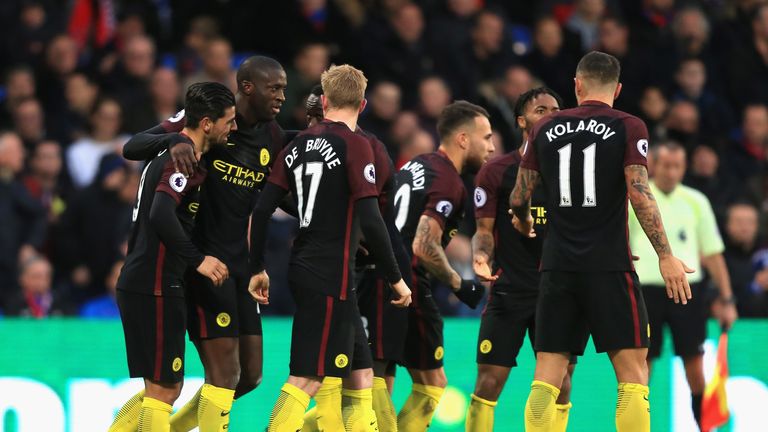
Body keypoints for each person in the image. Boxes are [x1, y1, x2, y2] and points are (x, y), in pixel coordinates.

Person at [509, 51, 693, 432]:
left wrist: (525, 220)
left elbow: (518, 197)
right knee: (632, 374)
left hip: (558, 264)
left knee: (548, 373)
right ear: (619, 88)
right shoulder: (629, 126)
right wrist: (666, 255)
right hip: (609, 264)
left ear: (577, 85)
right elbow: (640, 193)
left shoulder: (543, 128)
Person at [122, 56, 289, 431]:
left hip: (239, 267)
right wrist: (175, 138)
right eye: (274, 88)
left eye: (283, 88)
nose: (281, 96)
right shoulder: (209, 118)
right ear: (247, 87)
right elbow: (134, 146)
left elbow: (279, 197)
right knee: (213, 376)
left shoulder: (275, 137)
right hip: (201, 264)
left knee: (249, 377)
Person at [248, 64, 412, 432]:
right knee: (307, 378)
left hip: (316, 269)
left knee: (361, 376)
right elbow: (372, 220)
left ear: (323, 101)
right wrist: (396, 278)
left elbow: (261, 209)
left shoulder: (297, 144)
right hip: (328, 274)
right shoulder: (357, 144)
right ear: (364, 104)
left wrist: (257, 267)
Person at [109, 82, 234, 432]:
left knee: (162, 388)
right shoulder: (183, 158)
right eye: (229, 121)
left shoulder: (175, 149)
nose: (233, 128)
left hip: (147, 280)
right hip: (155, 283)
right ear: (207, 123)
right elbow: (161, 214)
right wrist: (199, 260)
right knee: (163, 390)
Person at [466, 87, 576, 432]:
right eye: (540, 109)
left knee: (561, 386)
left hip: (559, 292)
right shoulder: (496, 171)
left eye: (556, 109)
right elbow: (483, 231)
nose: (550, 115)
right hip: (510, 290)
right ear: (521, 120)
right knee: (488, 384)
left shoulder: (571, 171)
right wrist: (481, 256)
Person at [394, 100, 495, 431]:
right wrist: (458, 283)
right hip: (407, 284)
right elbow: (423, 245)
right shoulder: (449, 181)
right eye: (486, 137)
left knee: (372, 380)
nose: (492, 147)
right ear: (463, 139)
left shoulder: (416, 165)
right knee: (432, 384)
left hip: (377, 276)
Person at [628, 141, 738, 429]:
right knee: (641, 368)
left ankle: (704, 426)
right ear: (654, 165)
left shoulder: (696, 201)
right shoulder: (636, 198)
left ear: (684, 168)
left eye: (677, 166)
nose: (671, 172)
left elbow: (713, 253)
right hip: (646, 291)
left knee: (695, 368)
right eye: (666, 165)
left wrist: (727, 298)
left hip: (688, 292)